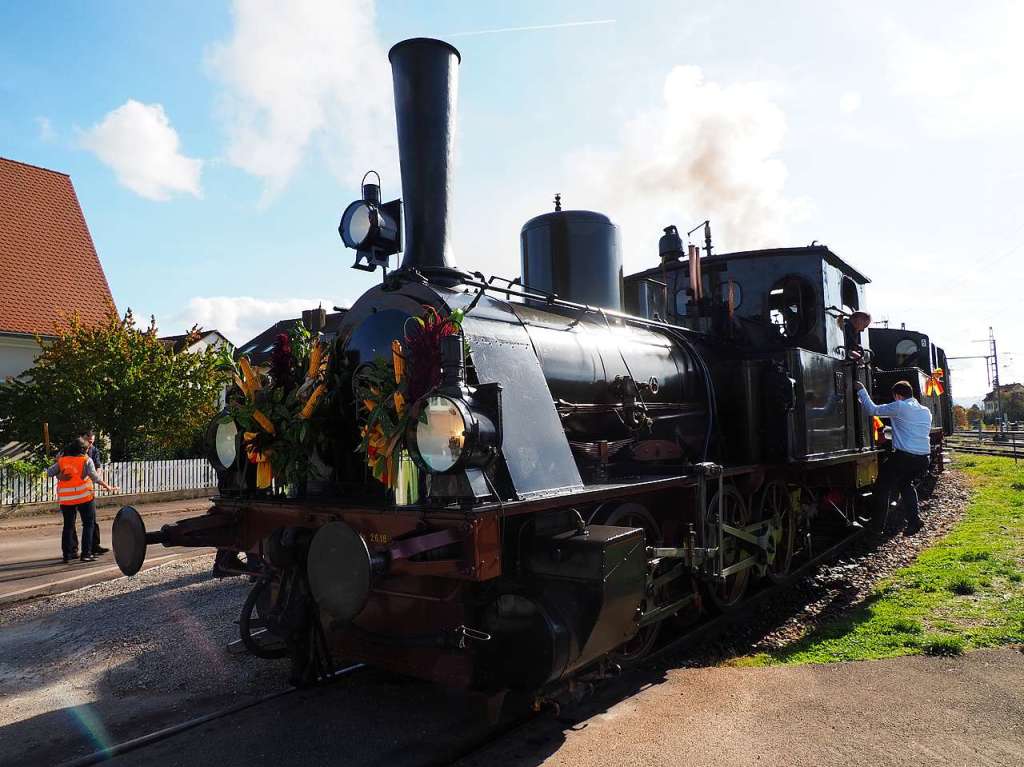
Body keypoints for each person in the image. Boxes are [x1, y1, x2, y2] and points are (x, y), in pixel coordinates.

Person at [855, 380, 932, 534]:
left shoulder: (899, 406)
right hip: (923, 458)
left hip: (905, 458)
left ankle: (876, 526)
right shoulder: (925, 410)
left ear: (897, 396)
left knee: (882, 486)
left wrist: (862, 390)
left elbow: (873, 410)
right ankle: (914, 521)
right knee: (905, 484)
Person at [47, 437, 119, 563]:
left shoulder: (62, 461)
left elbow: (49, 472)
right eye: (87, 448)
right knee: (88, 525)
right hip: (84, 497)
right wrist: (107, 486)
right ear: (83, 449)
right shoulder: (86, 460)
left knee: (68, 526)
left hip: (66, 499)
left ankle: (67, 555)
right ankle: (86, 554)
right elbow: (95, 477)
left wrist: (60, 476)